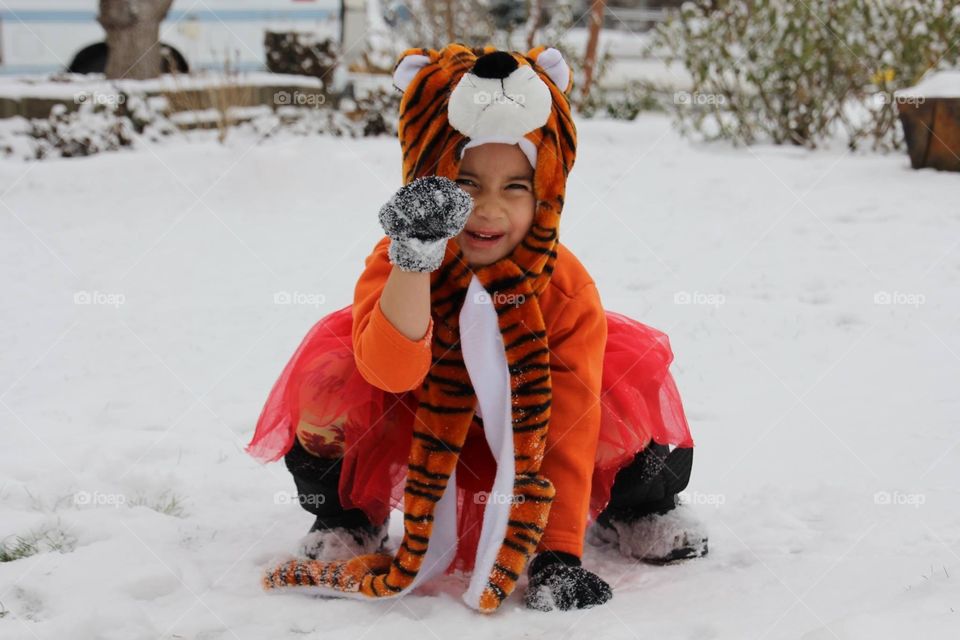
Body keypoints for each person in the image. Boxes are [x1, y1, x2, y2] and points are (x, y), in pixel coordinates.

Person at [249, 43, 706, 614]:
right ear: (429, 179)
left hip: (530, 432)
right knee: (329, 381)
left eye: (515, 186)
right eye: (465, 184)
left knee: (625, 414)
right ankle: (350, 519)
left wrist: (557, 552)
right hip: (420, 426)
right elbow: (390, 371)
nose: (488, 209)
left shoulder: (565, 289)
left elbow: (568, 425)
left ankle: (635, 507)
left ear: (547, 192)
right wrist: (415, 261)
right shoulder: (393, 262)